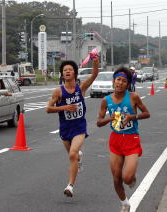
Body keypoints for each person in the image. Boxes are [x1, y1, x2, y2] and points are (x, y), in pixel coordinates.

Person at [96, 67, 150, 212]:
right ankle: (125, 203)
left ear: (127, 84)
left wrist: (133, 116)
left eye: (124, 81)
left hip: (132, 139)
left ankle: (132, 178)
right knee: (116, 178)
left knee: (127, 178)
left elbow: (146, 113)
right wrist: (110, 118)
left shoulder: (133, 97)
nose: (120, 83)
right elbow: (98, 123)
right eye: (118, 79)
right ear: (113, 81)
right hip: (115, 140)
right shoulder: (106, 100)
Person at [46, 58, 99, 197]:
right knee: (73, 155)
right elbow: (48, 109)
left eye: (70, 70)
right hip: (65, 129)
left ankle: (70, 186)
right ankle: (79, 157)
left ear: (75, 73)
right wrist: (65, 107)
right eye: (65, 70)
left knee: (72, 154)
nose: (67, 72)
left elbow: (94, 75)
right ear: (62, 75)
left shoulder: (80, 88)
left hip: (79, 127)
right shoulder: (58, 92)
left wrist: (95, 62)